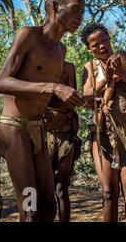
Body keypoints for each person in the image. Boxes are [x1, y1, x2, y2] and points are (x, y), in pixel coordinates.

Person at [0, 0, 90, 222]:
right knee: (30, 208)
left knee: (48, 206)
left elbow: (48, 98)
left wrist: (78, 101)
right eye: (76, 9)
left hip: (39, 129)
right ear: (56, 7)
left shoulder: (61, 49)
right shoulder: (28, 35)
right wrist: (53, 88)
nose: (80, 17)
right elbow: (1, 82)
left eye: (83, 12)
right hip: (14, 129)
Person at [81, 24, 126, 222]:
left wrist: (121, 75)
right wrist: (106, 80)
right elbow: (86, 96)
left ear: (110, 38)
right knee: (108, 193)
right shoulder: (90, 67)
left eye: (105, 39)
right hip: (103, 133)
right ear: (89, 49)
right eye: (95, 44)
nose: (102, 46)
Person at [43, 61, 82, 222]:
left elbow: (72, 101)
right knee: (42, 188)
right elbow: (35, 99)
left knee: (61, 188)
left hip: (65, 133)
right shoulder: (37, 65)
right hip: (41, 134)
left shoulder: (68, 68)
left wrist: (50, 100)